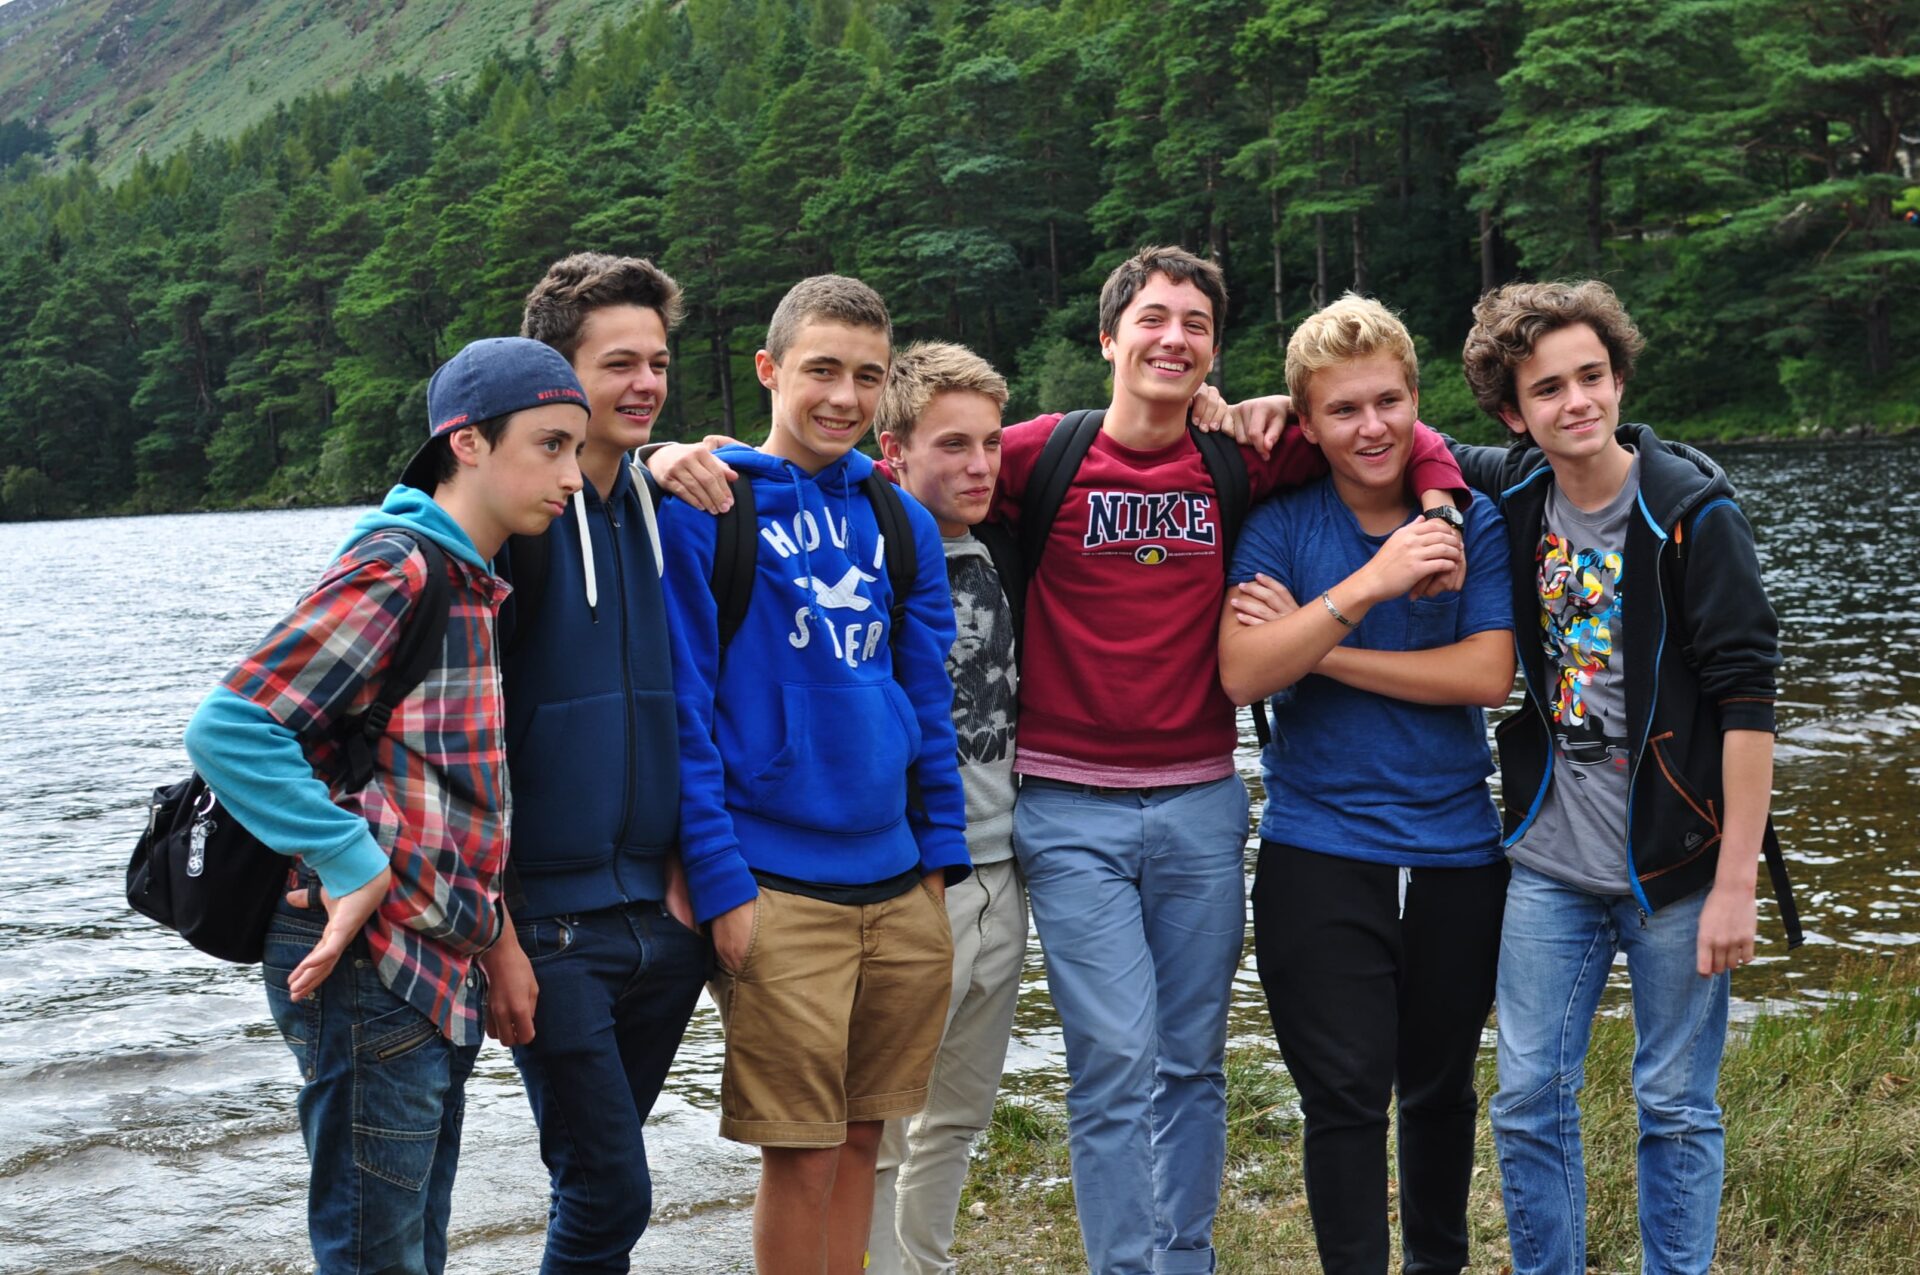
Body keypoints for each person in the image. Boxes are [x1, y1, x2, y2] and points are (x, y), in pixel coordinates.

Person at [990, 245, 1467, 1275]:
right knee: (1114, 1057)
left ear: (1213, 350)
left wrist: (1435, 500)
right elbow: (915, 458)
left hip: (1204, 801)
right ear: (1109, 338)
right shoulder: (1040, 456)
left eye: (1195, 324)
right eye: (1152, 319)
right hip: (1068, 808)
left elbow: (1391, 424)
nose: (1173, 338)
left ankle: (1186, 1259)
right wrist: (702, 456)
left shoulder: (1243, 459)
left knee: (1190, 1062)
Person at [183, 337, 587, 1275]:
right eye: (550, 445)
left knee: (412, 1248)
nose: (570, 474)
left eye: (577, 447)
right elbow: (232, 725)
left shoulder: (477, 579)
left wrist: (493, 941)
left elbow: (451, 795)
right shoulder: (403, 567)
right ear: (468, 443)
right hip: (369, 964)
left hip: (430, 959)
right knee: (376, 1257)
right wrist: (348, 857)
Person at [1452, 280, 1799, 1275]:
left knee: (1676, 1106)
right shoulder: (1517, 489)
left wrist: (1738, 883)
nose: (1577, 403)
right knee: (1525, 1098)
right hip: (1553, 858)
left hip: (1680, 865)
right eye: (1549, 389)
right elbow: (1399, 443)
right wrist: (1258, 416)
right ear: (1516, 413)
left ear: (1618, 376)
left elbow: (1747, 702)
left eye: (1592, 376)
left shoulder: (1693, 511)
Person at [660, 275, 971, 1273]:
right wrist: (720, 882)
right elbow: (685, 711)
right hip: (776, 885)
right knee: (799, 1154)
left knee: (867, 1137)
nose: (843, 397)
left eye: (867, 377)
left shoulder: (900, 522)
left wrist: (943, 856)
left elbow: (930, 698)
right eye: (821, 371)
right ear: (770, 370)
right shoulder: (709, 506)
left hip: (898, 880)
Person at [1216, 295, 1513, 1275]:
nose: (1371, 427)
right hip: (1318, 848)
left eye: (1388, 402)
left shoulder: (1474, 518)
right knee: (1342, 1099)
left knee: (1438, 1089)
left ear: (1416, 404)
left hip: (1457, 851)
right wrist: (1370, 586)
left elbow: (1485, 675)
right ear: (1305, 424)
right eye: (1343, 411)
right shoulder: (1280, 522)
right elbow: (1243, 672)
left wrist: (1318, 645)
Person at [475, 252, 726, 1273]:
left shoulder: (665, 505)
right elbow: (462, 740)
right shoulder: (512, 528)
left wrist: (688, 887)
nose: (645, 384)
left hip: (661, 923)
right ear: (553, 377)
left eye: (658, 363)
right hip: (551, 925)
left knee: (598, 1186)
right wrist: (497, 930)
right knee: (609, 1184)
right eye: (617, 363)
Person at [868, 342, 1024, 1275]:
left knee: (959, 1111)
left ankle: (924, 1264)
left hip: (1007, 865)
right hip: (911, 873)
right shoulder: (868, 540)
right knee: (881, 1119)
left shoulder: (1006, 537)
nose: (979, 466)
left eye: (993, 445)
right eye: (953, 445)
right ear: (894, 451)